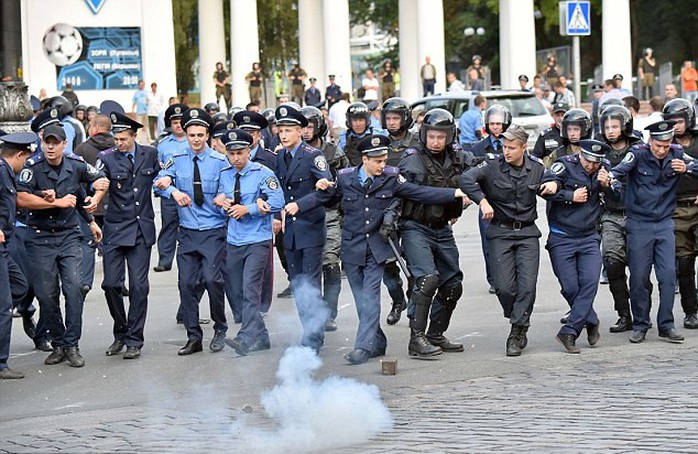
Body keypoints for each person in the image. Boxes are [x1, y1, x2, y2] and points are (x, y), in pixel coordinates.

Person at [300, 135, 470, 364]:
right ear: (364, 160)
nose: (383, 165)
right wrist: (300, 202)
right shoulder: (345, 178)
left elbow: (418, 192)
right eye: (378, 161)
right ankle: (377, 342)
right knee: (362, 301)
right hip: (352, 249)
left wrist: (454, 193)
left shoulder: (391, 178)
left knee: (370, 298)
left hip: (377, 250)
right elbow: (325, 198)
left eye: (385, 160)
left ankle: (362, 347)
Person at [459, 124, 557, 356]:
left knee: (527, 286)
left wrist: (554, 182)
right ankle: (517, 316)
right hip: (500, 232)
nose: (507, 151)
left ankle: (517, 330)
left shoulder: (536, 168)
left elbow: (553, 178)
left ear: (524, 148)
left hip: (526, 233)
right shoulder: (492, 166)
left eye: (512, 147)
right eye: (504, 147)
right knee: (504, 287)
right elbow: (465, 178)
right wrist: (481, 200)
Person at [16, 124, 108, 367]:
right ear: (42, 142)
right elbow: (22, 198)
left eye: (56, 142)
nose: (51, 146)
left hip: (69, 236)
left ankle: (72, 345)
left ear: (64, 144)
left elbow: (100, 179)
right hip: (39, 237)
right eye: (47, 141)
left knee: (75, 288)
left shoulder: (75, 164)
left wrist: (93, 204)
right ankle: (58, 344)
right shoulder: (32, 167)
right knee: (46, 295)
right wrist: (55, 202)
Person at [606, 120, 698, 344]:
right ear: (650, 142)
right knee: (639, 278)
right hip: (639, 224)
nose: (662, 150)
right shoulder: (637, 154)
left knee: (667, 277)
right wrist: (607, 180)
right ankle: (640, 324)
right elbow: (616, 172)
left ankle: (666, 325)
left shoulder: (677, 154)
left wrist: (687, 169)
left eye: (666, 145)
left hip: (665, 223)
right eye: (658, 145)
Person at [398, 108, 474, 358]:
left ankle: (435, 334)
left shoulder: (457, 156)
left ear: (450, 136)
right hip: (415, 226)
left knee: (453, 284)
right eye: (431, 136)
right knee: (427, 279)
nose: (435, 141)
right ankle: (416, 339)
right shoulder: (413, 157)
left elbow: (480, 171)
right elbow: (409, 190)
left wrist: (476, 194)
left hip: (442, 228)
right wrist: (452, 194)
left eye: (441, 137)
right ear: (423, 134)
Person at [153, 108, 229, 355]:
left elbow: (231, 187)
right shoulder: (176, 158)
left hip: (213, 231)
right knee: (185, 283)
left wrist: (223, 197)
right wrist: (172, 190)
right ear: (185, 134)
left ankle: (220, 328)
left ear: (208, 135)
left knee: (212, 280)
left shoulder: (220, 162)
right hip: (187, 232)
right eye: (191, 134)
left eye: (200, 135)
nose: (196, 139)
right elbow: (161, 180)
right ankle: (193, 336)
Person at [215, 130, 285, 356]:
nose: (236, 158)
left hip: (258, 239)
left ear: (249, 151)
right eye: (232, 153)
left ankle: (245, 337)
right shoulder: (225, 173)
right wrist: (222, 202)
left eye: (240, 153)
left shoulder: (262, 173)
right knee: (235, 289)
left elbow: (277, 200)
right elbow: (219, 197)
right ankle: (262, 336)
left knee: (249, 289)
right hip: (234, 239)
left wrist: (249, 209)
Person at [97, 112, 159, 360]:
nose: (119, 143)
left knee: (139, 286)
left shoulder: (150, 154)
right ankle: (120, 330)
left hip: (141, 229)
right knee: (111, 284)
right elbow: (99, 179)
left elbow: (163, 175)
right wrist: (95, 196)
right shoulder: (106, 158)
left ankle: (134, 339)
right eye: (116, 138)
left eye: (124, 138)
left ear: (135, 136)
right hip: (115, 228)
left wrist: (168, 186)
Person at [542, 140, 614, 353]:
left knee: (590, 282)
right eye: (588, 161)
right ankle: (590, 320)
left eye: (595, 163)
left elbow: (618, 197)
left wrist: (607, 185)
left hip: (589, 237)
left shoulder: (604, 169)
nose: (591, 166)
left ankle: (570, 331)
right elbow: (544, 188)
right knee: (570, 288)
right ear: (580, 154)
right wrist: (569, 196)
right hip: (561, 237)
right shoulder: (564, 165)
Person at [274, 105, 333, 353]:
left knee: (310, 283)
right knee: (298, 284)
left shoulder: (312, 155)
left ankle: (314, 337)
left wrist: (301, 204)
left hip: (309, 228)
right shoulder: (281, 156)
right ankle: (307, 330)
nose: (284, 135)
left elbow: (327, 190)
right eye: (281, 131)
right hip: (291, 232)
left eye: (289, 130)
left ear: (301, 131)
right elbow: (278, 189)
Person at [300, 106, 349, 331]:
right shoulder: (293, 151)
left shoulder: (333, 153)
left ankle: (328, 313)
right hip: (301, 214)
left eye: (310, 126)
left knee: (330, 262)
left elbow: (347, 183)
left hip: (329, 213)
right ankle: (311, 313)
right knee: (307, 267)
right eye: (303, 127)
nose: (306, 131)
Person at [598, 105, 643, 333]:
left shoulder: (639, 149)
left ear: (625, 126)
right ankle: (624, 315)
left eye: (615, 126)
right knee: (613, 264)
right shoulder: (600, 152)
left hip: (638, 216)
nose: (610, 131)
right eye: (606, 126)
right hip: (611, 215)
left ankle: (641, 315)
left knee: (640, 269)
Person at [233, 110, 280, 313]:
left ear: (259, 135)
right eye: (244, 131)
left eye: (252, 132)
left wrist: (277, 217)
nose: (249, 136)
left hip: (262, 221)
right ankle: (244, 307)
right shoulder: (231, 158)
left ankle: (261, 305)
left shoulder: (269, 159)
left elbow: (279, 191)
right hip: (235, 223)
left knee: (263, 266)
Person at [379, 97, 418, 325]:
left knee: (414, 261)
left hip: (412, 208)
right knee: (387, 262)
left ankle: (414, 302)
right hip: (385, 209)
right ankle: (397, 300)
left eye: (396, 118)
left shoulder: (417, 142)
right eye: (389, 118)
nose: (392, 122)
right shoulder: (379, 142)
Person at [0, 132, 35, 379]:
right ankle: (1, 363)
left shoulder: (5, 170)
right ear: (20, 154)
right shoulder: (1, 170)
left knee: (20, 285)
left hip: (5, 245)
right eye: (25, 159)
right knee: (4, 308)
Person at [663, 98, 698, 329]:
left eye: (680, 121)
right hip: (675, 209)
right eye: (671, 122)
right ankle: (691, 310)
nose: (676, 126)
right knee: (684, 265)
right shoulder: (662, 145)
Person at [470, 105, 513, 294]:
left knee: (510, 241)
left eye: (499, 123)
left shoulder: (513, 144)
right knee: (489, 242)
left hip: (510, 201)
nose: (495, 127)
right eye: (492, 123)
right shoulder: (478, 147)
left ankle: (509, 276)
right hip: (487, 201)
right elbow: (472, 174)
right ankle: (494, 279)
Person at [74, 114, 116, 297]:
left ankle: (85, 282)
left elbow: (75, 177)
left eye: (90, 125)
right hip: (114, 205)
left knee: (88, 243)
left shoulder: (83, 148)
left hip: (90, 204)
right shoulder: (118, 145)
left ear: (97, 128)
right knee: (113, 245)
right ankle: (115, 281)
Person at [153, 103, 189, 274]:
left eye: (181, 121)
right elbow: (158, 169)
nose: (178, 124)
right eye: (175, 121)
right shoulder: (163, 144)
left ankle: (188, 257)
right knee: (169, 225)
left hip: (189, 191)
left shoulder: (193, 140)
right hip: (169, 193)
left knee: (190, 225)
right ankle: (165, 260)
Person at [338, 102, 387, 166]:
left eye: (361, 120)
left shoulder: (377, 133)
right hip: (351, 172)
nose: (358, 124)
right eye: (355, 120)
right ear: (349, 121)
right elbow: (338, 158)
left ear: (367, 121)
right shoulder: (344, 136)